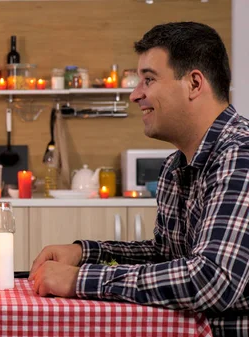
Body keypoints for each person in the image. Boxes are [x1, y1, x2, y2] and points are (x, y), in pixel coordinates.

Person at [29, 22, 249, 337]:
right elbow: (167, 257)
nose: (135, 95)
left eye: (148, 79)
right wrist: (86, 252)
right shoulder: (177, 165)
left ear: (194, 83)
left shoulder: (239, 153)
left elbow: (211, 279)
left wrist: (81, 279)